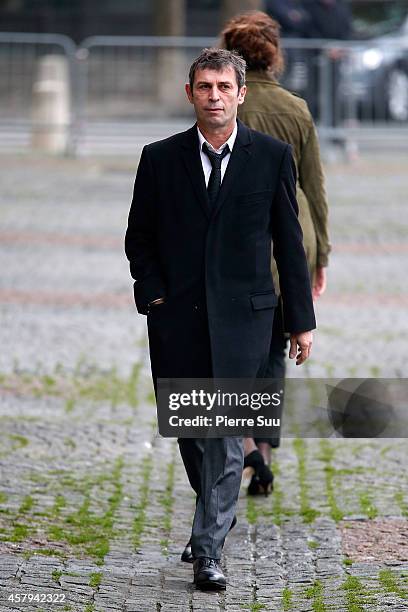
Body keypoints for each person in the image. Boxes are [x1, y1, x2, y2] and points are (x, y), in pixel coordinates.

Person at [125, 48, 315, 592]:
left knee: (228, 435)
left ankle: (209, 549)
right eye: (204, 87)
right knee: (192, 433)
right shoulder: (159, 158)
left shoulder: (271, 156)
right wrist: (154, 297)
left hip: (245, 321)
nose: (214, 96)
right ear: (191, 94)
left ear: (240, 93)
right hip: (177, 320)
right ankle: (214, 512)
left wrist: (300, 321)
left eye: (223, 88)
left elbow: (290, 245)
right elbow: (139, 238)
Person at [221, 11, 331, 493]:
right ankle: (262, 450)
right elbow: (315, 187)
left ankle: (243, 445)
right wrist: (321, 253)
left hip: (243, 244)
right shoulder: (297, 108)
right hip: (293, 242)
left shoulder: (227, 105)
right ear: (273, 55)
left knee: (232, 351)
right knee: (274, 351)